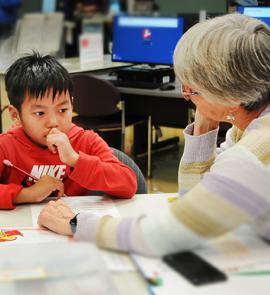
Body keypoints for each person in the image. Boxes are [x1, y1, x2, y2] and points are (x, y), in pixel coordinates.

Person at [38, 13, 270, 256]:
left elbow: (162, 236)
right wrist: (205, 121)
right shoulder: (245, 128)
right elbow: (194, 203)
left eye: (192, 89)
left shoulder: (253, 154)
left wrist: (76, 223)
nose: (186, 96)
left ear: (232, 100)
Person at [0, 53, 137, 209]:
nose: (53, 122)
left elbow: (128, 184)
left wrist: (75, 159)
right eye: (39, 113)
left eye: (62, 110)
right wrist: (26, 194)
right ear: (15, 115)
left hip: (70, 226)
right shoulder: (6, 145)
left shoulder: (86, 141)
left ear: (72, 104)